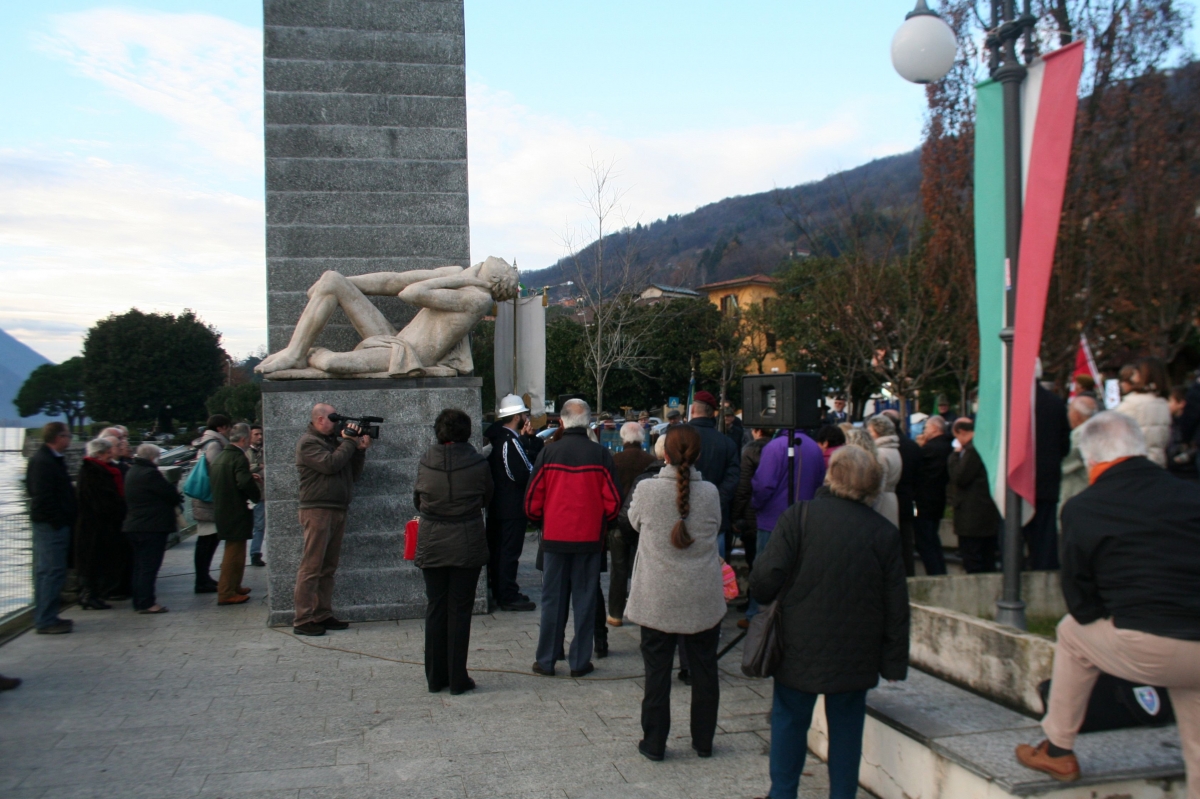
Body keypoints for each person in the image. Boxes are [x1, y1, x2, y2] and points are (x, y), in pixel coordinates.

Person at [1015, 412, 1200, 792]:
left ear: (1089, 460)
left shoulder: (1085, 508)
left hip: (1151, 644)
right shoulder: (1191, 492)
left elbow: (1081, 603)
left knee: (1070, 632)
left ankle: (1058, 747)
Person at [750, 445, 909, 799]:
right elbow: (896, 605)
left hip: (798, 645)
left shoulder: (799, 517)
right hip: (857, 652)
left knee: (789, 722)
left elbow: (764, 580)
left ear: (831, 475)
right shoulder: (883, 532)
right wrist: (894, 661)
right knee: (848, 732)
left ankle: (783, 794)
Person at [625, 425, 725, 761]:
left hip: (657, 596)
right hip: (702, 595)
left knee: (656, 673)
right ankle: (704, 742)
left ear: (663, 454)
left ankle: (654, 743)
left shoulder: (647, 490)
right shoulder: (710, 492)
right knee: (705, 671)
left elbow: (633, 522)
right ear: (698, 456)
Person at [525, 399, 621, 678]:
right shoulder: (601, 455)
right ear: (589, 423)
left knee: (552, 600)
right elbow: (614, 502)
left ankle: (546, 660)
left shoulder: (548, 453)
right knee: (585, 598)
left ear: (562, 422)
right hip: (590, 539)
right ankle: (580, 661)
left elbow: (532, 501)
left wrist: (541, 519)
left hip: (555, 537)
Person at [413, 408, 493, 695]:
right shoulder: (478, 463)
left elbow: (417, 499)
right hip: (466, 539)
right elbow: (487, 498)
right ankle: (458, 678)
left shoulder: (425, 461)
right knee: (460, 609)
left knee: (436, 607)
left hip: (433, 538)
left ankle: (435, 677)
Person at [292, 403, 370, 636]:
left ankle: (322, 613)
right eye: (334, 419)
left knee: (327, 567)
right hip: (317, 510)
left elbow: (352, 474)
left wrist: (359, 450)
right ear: (319, 420)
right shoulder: (309, 442)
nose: (338, 425)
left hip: (336, 508)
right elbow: (330, 465)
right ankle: (303, 618)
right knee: (311, 566)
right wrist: (348, 442)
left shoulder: (332, 443)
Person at [486, 394, 536, 612]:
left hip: (500, 506)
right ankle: (507, 594)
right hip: (511, 507)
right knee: (509, 552)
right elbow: (520, 473)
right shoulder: (510, 441)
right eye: (524, 414)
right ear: (517, 417)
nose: (526, 417)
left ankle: (502, 590)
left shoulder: (501, 438)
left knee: (500, 551)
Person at [27, 422, 76, 635]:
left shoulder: (46, 459)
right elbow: (42, 496)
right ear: (58, 437)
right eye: (67, 436)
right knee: (51, 571)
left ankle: (47, 616)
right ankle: (46, 619)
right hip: (51, 525)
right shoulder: (44, 462)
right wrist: (60, 519)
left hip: (51, 523)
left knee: (48, 571)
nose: (70, 439)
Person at [122, 443, 181, 614]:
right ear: (152, 457)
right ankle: (147, 602)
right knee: (149, 566)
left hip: (135, 525)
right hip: (151, 526)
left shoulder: (132, 471)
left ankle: (139, 601)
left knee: (139, 566)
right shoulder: (150, 473)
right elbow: (170, 493)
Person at [608, 421, 655, 627]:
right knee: (641, 569)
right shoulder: (651, 461)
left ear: (623, 438)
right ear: (642, 438)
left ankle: (615, 614)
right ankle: (641, 611)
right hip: (643, 523)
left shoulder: (615, 460)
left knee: (618, 570)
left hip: (619, 521)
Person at [1021, 383, 1071, 570]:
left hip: (1015, 480)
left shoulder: (1010, 402)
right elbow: (1064, 443)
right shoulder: (1055, 403)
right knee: (1044, 539)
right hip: (1047, 480)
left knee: (1012, 539)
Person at [211, 423, 262, 606]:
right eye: (249, 437)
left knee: (236, 551)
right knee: (233, 554)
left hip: (224, 510)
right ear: (243, 439)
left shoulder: (221, 456)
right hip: (235, 510)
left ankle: (234, 586)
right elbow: (242, 483)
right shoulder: (238, 458)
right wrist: (256, 495)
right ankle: (226, 592)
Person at [687, 391, 741, 557]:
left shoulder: (679, 437)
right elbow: (732, 479)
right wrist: (715, 499)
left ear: (693, 409)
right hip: (715, 518)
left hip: (683, 515)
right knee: (716, 574)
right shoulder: (726, 443)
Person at [76, 437, 126, 609]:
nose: (110, 456)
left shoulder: (96, 470)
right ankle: (89, 594)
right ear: (100, 454)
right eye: (107, 453)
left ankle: (91, 594)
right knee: (93, 560)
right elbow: (100, 501)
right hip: (95, 526)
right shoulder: (93, 472)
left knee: (96, 560)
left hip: (98, 525)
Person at [947, 419, 999, 573]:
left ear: (962, 432)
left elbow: (960, 477)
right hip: (984, 512)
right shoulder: (983, 445)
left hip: (972, 514)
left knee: (973, 558)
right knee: (985, 556)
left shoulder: (972, 450)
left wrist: (955, 456)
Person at [191, 415, 230, 594]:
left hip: (203, 498)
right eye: (228, 427)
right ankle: (202, 579)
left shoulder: (205, 443)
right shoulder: (214, 444)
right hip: (209, 500)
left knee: (206, 541)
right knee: (206, 541)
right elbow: (218, 471)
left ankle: (204, 577)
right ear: (221, 428)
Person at [882, 409, 921, 577]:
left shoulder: (885, 451)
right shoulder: (912, 446)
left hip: (889, 501)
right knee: (905, 546)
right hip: (906, 501)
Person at [1115, 357, 1171, 467]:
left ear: (1143, 375)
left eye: (1135, 373)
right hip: (1159, 462)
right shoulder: (1162, 402)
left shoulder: (1133, 403)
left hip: (1135, 464)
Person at [914, 416, 951, 575]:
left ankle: (935, 573)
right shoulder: (947, 445)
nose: (924, 431)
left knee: (926, 541)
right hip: (938, 500)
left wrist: (919, 447)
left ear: (935, 429)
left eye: (926, 428)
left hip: (925, 501)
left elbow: (918, 469)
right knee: (932, 539)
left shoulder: (931, 449)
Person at [1059, 396, 1098, 518]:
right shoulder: (1098, 429)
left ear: (1076, 415)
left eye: (1069, 411)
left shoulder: (1079, 434)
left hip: (1076, 488)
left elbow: (1066, 462)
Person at [866, 415, 902, 528]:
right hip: (891, 500)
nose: (868, 434)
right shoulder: (893, 450)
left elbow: (879, 485)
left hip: (881, 503)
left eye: (870, 431)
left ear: (878, 432)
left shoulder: (880, 454)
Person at [1167, 386, 1197, 478]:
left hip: (1185, 470)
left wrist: (1176, 460)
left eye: (1170, 401)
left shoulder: (1185, 426)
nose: (1167, 404)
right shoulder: (1172, 422)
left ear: (1181, 403)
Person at [247, 424, 267, 567]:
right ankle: (253, 553)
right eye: (256, 434)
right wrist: (259, 466)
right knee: (255, 526)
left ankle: (255, 553)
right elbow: (245, 469)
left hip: (263, 494)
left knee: (259, 526)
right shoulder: (245, 452)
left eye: (261, 434)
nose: (260, 437)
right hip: (250, 494)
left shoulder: (265, 450)